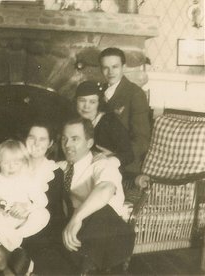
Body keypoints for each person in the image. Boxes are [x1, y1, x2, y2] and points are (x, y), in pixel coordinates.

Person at [59, 118, 135, 273]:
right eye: (64, 139)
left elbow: (106, 187)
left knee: (99, 212)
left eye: (75, 139)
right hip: (78, 232)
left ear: (89, 143)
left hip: (110, 232)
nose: (67, 145)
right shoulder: (61, 167)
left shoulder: (102, 164)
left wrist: (77, 218)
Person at [0, 139, 50, 271]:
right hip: (1, 223)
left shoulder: (27, 179)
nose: (11, 167)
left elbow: (43, 200)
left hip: (23, 223)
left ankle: (13, 242)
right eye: (6, 163)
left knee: (44, 214)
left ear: (24, 163)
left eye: (16, 163)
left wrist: (26, 207)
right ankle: (15, 248)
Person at [22, 122, 70, 274]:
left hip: (44, 235)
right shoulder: (13, 165)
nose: (36, 143)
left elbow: (56, 215)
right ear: (25, 140)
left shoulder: (54, 173)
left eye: (42, 139)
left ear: (50, 143)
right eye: (32, 138)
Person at [99, 47, 151, 176]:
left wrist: (116, 157)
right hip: (99, 158)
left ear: (124, 67)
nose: (110, 72)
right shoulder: (99, 92)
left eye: (115, 67)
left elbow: (142, 140)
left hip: (125, 164)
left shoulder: (135, 94)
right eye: (105, 68)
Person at [74, 80, 134, 169]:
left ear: (99, 103)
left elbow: (129, 155)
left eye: (92, 102)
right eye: (82, 100)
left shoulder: (110, 122)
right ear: (75, 101)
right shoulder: (72, 121)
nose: (86, 106)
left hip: (104, 170)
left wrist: (110, 157)